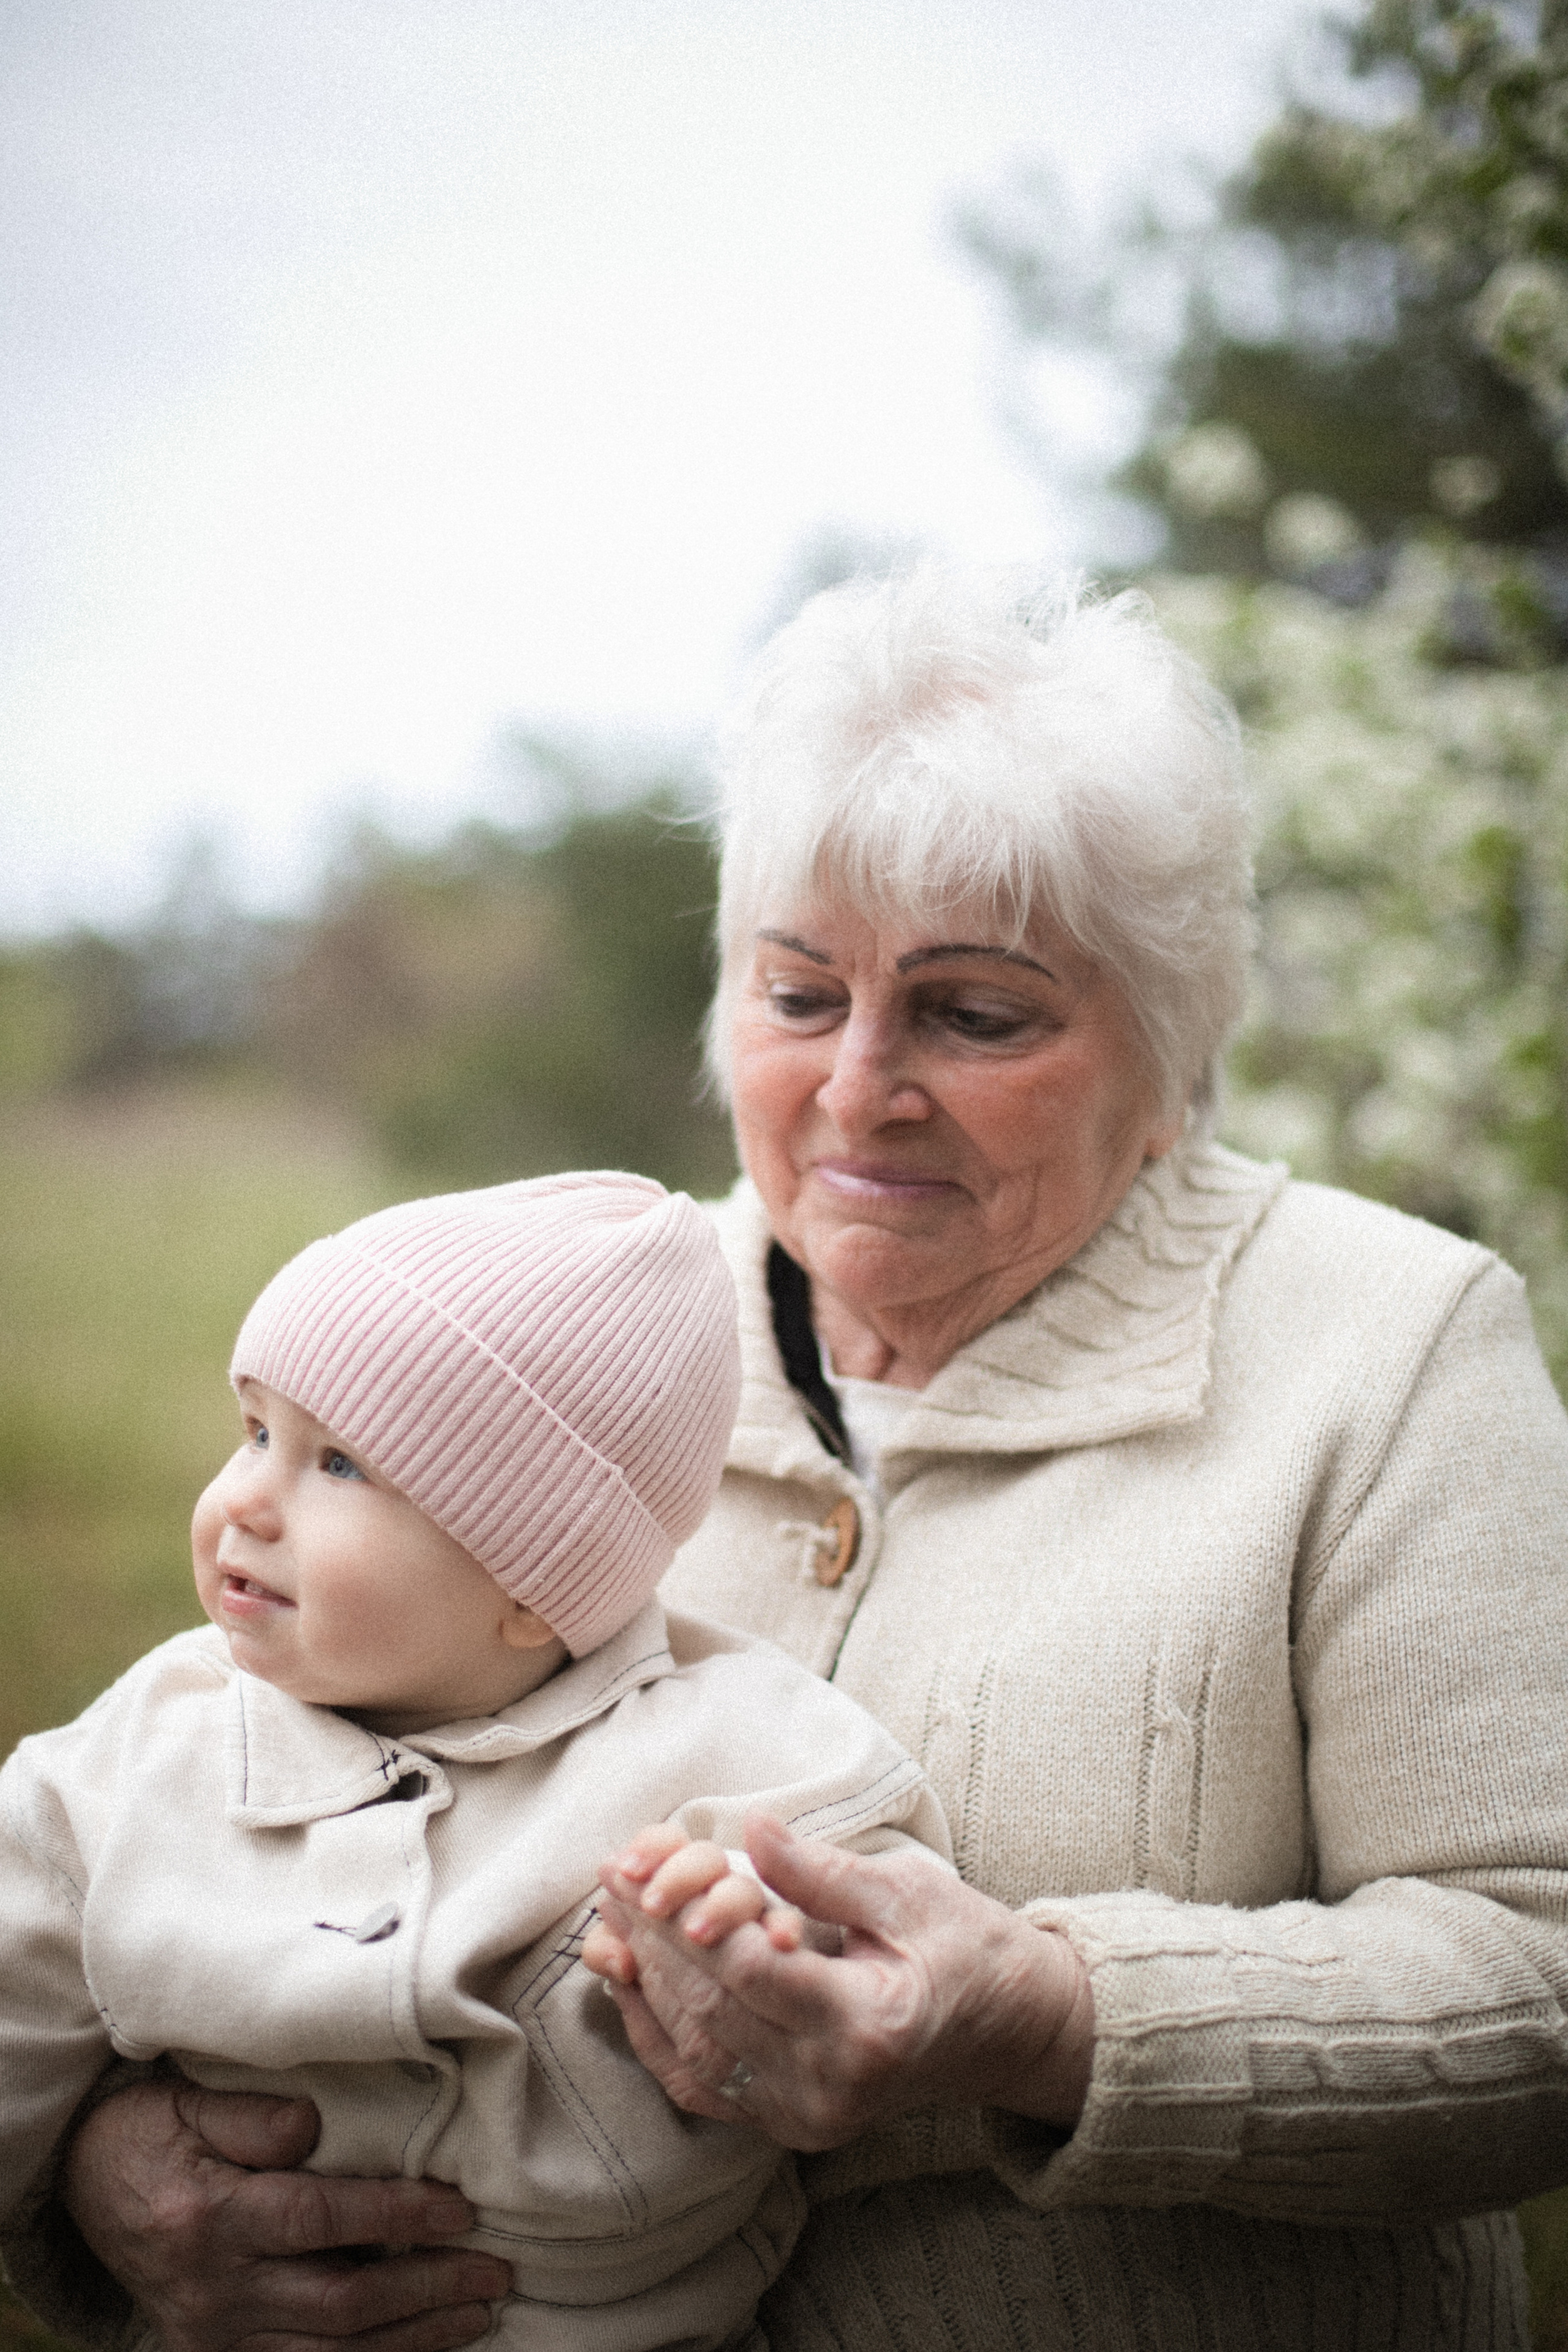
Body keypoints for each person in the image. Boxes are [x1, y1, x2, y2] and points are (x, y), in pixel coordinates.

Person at [24, 564, 1568, 2352]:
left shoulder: (1387, 1345)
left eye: (975, 1014)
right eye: (800, 994)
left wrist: (1054, 2018)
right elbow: (189, 1805)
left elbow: (1537, 1978)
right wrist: (103, 2167)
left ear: (1171, 1051)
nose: (858, 1093)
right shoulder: (532, 1356)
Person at [0, 1172, 950, 2352]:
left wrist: (757, 1937)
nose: (244, 1499)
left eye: (337, 1464)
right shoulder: (139, 1756)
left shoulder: (725, 1747)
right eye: (256, 1432)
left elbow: (893, 1916)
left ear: (529, 1585)